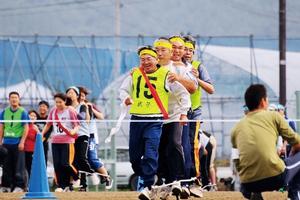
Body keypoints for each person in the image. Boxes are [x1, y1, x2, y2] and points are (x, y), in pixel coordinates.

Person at [120, 46, 190, 200]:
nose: (145, 62)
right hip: (137, 120)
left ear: (156, 59)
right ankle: (145, 178)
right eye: (142, 59)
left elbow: (183, 94)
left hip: (155, 120)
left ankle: (147, 186)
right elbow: (123, 90)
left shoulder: (166, 75)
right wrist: (126, 98)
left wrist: (184, 113)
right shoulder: (134, 74)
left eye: (149, 59)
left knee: (151, 154)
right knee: (134, 157)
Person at [231, 84, 300, 199]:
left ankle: (255, 194)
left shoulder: (236, 128)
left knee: (253, 184)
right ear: (263, 101)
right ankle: (293, 195)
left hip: (247, 184)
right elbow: (297, 142)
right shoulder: (274, 116)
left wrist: (245, 179)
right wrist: (292, 154)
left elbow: (236, 159)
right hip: (275, 177)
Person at [154, 36, 197, 198]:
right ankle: (168, 182)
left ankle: (184, 182)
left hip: (182, 114)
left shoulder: (186, 68)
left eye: (181, 48)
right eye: (174, 47)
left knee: (179, 145)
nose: (178, 51)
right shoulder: (155, 67)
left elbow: (192, 88)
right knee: (163, 149)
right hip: (159, 117)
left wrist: (178, 77)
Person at [183, 35, 214, 187]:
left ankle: (194, 178)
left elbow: (210, 89)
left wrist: (197, 79)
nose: (188, 53)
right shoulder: (172, 65)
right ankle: (175, 178)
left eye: (191, 50)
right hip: (175, 113)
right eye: (185, 49)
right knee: (176, 145)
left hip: (193, 113)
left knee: (191, 144)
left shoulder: (198, 66)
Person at [41, 93, 80, 192]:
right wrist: (41, 134)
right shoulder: (53, 111)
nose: (58, 104)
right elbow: (48, 124)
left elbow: (77, 125)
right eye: (56, 102)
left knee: (65, 163)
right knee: (57, 165)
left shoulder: (70, 111)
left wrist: (73, 131)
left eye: (60, 102)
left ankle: (76, 177)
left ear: (65, 101)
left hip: (67, 141)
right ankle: (62, 186)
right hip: (55, 141)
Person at [77, 86, 112, 191]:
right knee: (81, 160)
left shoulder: (88, 105)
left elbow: (101, 117)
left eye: (83, 96)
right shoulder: (73, 107)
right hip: (78, 135)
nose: (82, 98)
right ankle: (83, 185)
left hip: (91, 136)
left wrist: (90, 108)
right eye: (80, 96)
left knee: (92, 158)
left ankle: (106, 177)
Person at [0, 91, 29, 193]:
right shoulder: (4, 112)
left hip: (18, 142)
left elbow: (26, 127)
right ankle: (6, 186)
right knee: (6, 166)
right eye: (12, 97)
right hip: (6, 142)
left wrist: (22, 142)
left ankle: (19, 186)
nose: (13, 99)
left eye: (15, 97)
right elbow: (2, 127)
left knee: (19, 165)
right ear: (9, 99)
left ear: (18, 99)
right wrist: (0, 141)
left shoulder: (23, 112)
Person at [66, 86, 94, 189]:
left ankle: (86, 179)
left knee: (82, 158)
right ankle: (72, 183)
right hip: (70, 137)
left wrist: (70, 112)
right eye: (68, 93)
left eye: (72, 93)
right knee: (72, 161)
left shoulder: (82, 106)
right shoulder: (65, 107)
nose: (70, 94)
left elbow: (81, 117)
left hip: (82, 135)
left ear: (77, 95)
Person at [36, 100, 52, 166]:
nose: (42, 108)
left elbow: (49, 131)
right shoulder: (35, 118)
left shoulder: (49, 119)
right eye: (41, 106)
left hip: (44, 142)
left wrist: (43, 139)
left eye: (44, 107)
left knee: (43, 159)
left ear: (47, 109)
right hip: (34, 141)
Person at [24, 110, 39, 178]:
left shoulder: (36, 127)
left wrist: (38, 131)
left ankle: (29, 185)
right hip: (23, 151)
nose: (32, 117)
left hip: (31, 152)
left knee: (30, 169)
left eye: (34, 116)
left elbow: (39, 140)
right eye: (31, 115)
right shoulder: (24, 126)